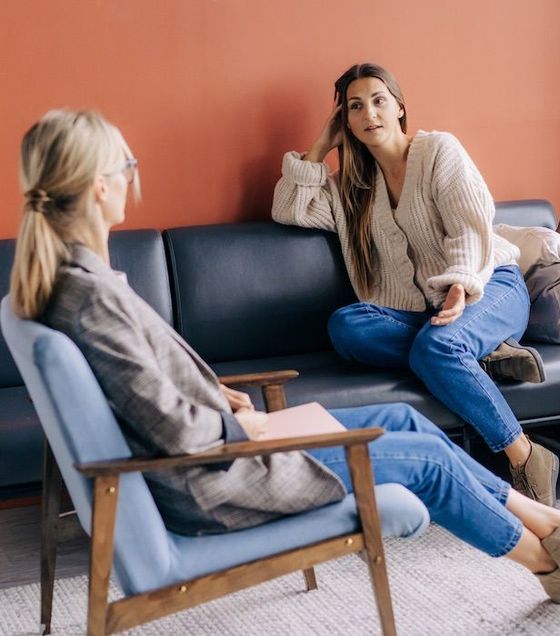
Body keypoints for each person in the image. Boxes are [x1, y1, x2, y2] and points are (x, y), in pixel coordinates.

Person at [9, 109, 560, 602]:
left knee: (402, 419)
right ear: (98, 187)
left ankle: (547, 520)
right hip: (217, 477)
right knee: (428, 462)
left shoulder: (79, 282)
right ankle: (547, 564)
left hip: (220, 449)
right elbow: (177, 432)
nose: (132, 175)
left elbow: (148, 388)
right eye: (125, 164)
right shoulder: (90, 299)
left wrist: (218, 395)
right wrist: (245, 424)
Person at [272, 62, 558, 508]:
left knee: (436, 347)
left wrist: (461, 285)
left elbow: (469, 227)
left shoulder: (439, 151)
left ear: (400, 107)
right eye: (355, 106)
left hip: (489, 285)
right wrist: (321, 145)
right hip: (424, 314)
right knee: (347, 325)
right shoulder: (352, 188)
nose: (370, 113)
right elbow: (289, 208)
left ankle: (526, 457)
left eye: (379, 100)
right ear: (345, 120)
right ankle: (483, 357)